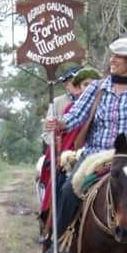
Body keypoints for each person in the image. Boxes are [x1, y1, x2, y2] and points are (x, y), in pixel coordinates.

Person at [43, 38, 127, 253]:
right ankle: (56, 246)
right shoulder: (97, 87)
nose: (112, 60)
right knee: (68, 189)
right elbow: (77, 116)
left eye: (118, 56)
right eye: (112, 55)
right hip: (95, 155)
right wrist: (59, 123)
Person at [38, 66, 101, 238]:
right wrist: (64, 153)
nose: (88, 89)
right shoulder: (64, 106)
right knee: (62, 184)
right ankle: (54, 230)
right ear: (77, 87)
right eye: (85, 84)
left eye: (92, 84)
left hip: (105, 154)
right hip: (69, 156)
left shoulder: (106, 104)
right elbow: (57, 130)